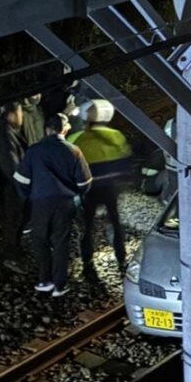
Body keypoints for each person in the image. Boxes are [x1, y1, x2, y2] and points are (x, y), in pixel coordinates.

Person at [14, 113, 92, 297]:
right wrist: (77, 195)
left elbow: (21, 180)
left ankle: (44, 281)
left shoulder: (34, 150)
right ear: (65, 129)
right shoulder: (74, 151)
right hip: (64, 204)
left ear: (47, 129)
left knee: (39, 240)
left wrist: (29, 197)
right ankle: (59, 285)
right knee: (60, 243)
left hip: (40, 203)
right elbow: (85, 183)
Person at [69, 99, 133, 274]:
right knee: (115, 222)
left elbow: (71, 167)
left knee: (87, 226)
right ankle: (121, 259)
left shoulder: (76, 138)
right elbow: (126, 165)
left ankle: (87, 262)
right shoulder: (116, 136)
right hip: (111, 188)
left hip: (88, 189)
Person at [0, 102, 28, 274]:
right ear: (11, 115)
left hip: (14, 184)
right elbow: (11, 164)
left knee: (16, 219)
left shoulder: (8, 132)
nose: (22, 118)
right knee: (13, 220)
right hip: (13, 185)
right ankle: (10, 256)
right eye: (20, 113)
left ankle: (14, 251)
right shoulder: (5, 134)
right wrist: (23, 183)